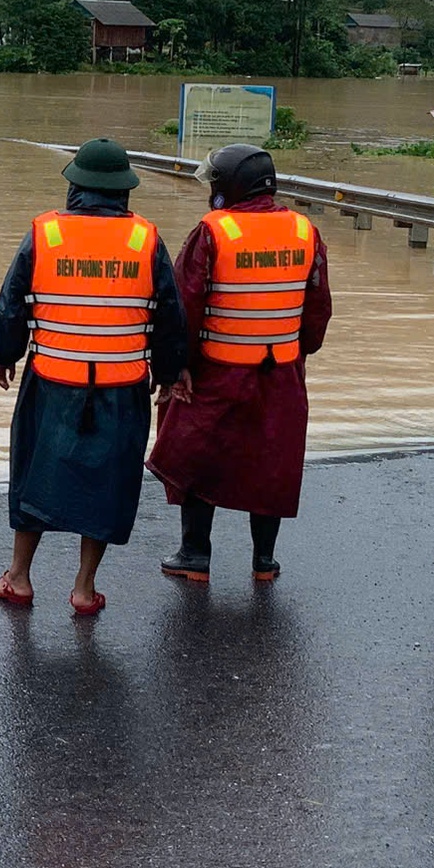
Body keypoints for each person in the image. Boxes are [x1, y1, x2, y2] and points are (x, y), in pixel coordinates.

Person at [0, 138, 190, 617]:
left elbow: (13, 301)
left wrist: (3, 353)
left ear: (75, 186)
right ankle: (83, 588)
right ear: (124, 191)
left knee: (34, 475)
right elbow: (170, 316)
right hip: (123, 389)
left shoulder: (45, 233)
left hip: (52, 381)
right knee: (107, 484)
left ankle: (18, 578)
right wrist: (170, 372)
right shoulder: (146, 240)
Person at [147, 143, 331, 584]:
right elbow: (318, 310)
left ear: (228, 186)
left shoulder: (212, 231)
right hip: (281, 375)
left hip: (216, 372)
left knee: (196, 458)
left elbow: (183, 305)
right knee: (272, 463)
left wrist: (175, 367)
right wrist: (294, 350)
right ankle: (263, 561)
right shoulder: (306, 232)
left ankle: (195, 557)